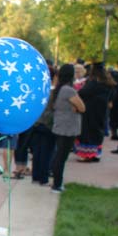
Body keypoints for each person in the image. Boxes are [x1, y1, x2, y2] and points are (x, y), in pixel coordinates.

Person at [50, 64, 86, 193]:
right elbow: (82, 107)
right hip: (68, 128)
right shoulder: (68, 90)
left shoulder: (58, 89)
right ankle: (57, 184)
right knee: (61, 156)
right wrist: (76, 108)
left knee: (59, 154)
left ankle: (56, 181)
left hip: (59, 125)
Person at [74, 63, 115, 162]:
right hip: (102, 110)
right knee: (98, 131)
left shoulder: (93, 82)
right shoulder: (108, 83)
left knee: (88, 132)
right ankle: (96, 154)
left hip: (89, 111)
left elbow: (83, 93)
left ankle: (87, 155)